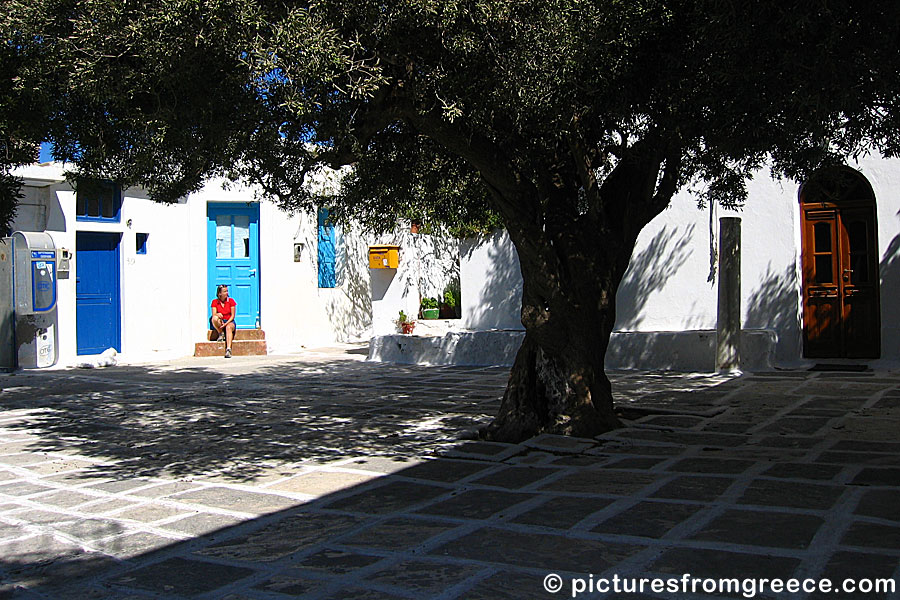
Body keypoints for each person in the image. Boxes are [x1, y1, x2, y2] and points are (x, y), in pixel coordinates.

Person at [210, 284, 237, 358]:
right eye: (224, 291)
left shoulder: (231, 301)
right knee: (214, 318)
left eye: (227, 291)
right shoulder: (215, 302)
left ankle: (228, 349)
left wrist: (226, 324)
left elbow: (232, 316)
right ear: (220, 293)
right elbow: (214, 314)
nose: (227, 293)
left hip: (229, 321)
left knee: (228, 327)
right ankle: (220, 333)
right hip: (221, 321)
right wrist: (218, 314)